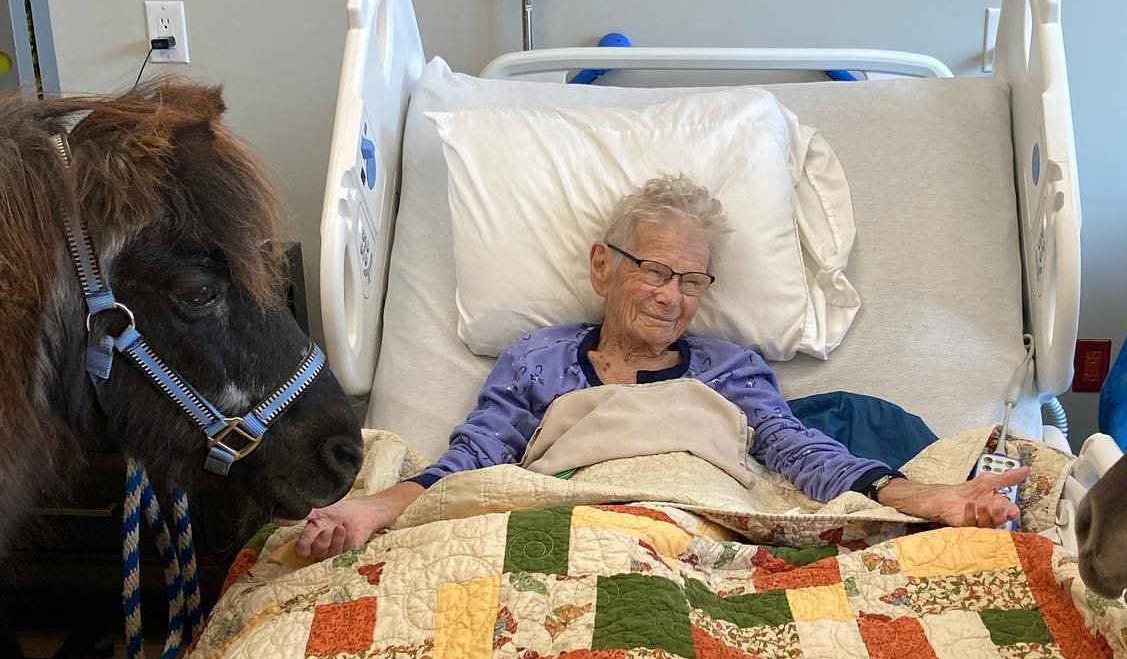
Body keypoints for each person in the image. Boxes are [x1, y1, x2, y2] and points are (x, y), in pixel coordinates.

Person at [297, 174, 1025, 561]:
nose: (673, 297)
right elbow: (476, 461)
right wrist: (370, 509)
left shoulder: (729, 369)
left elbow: (795, 451)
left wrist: (919, 497)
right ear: (603, 267)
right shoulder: (537, 360)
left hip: (699, 537)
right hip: (570, 538)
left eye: (691, 281)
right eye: (655, 271)